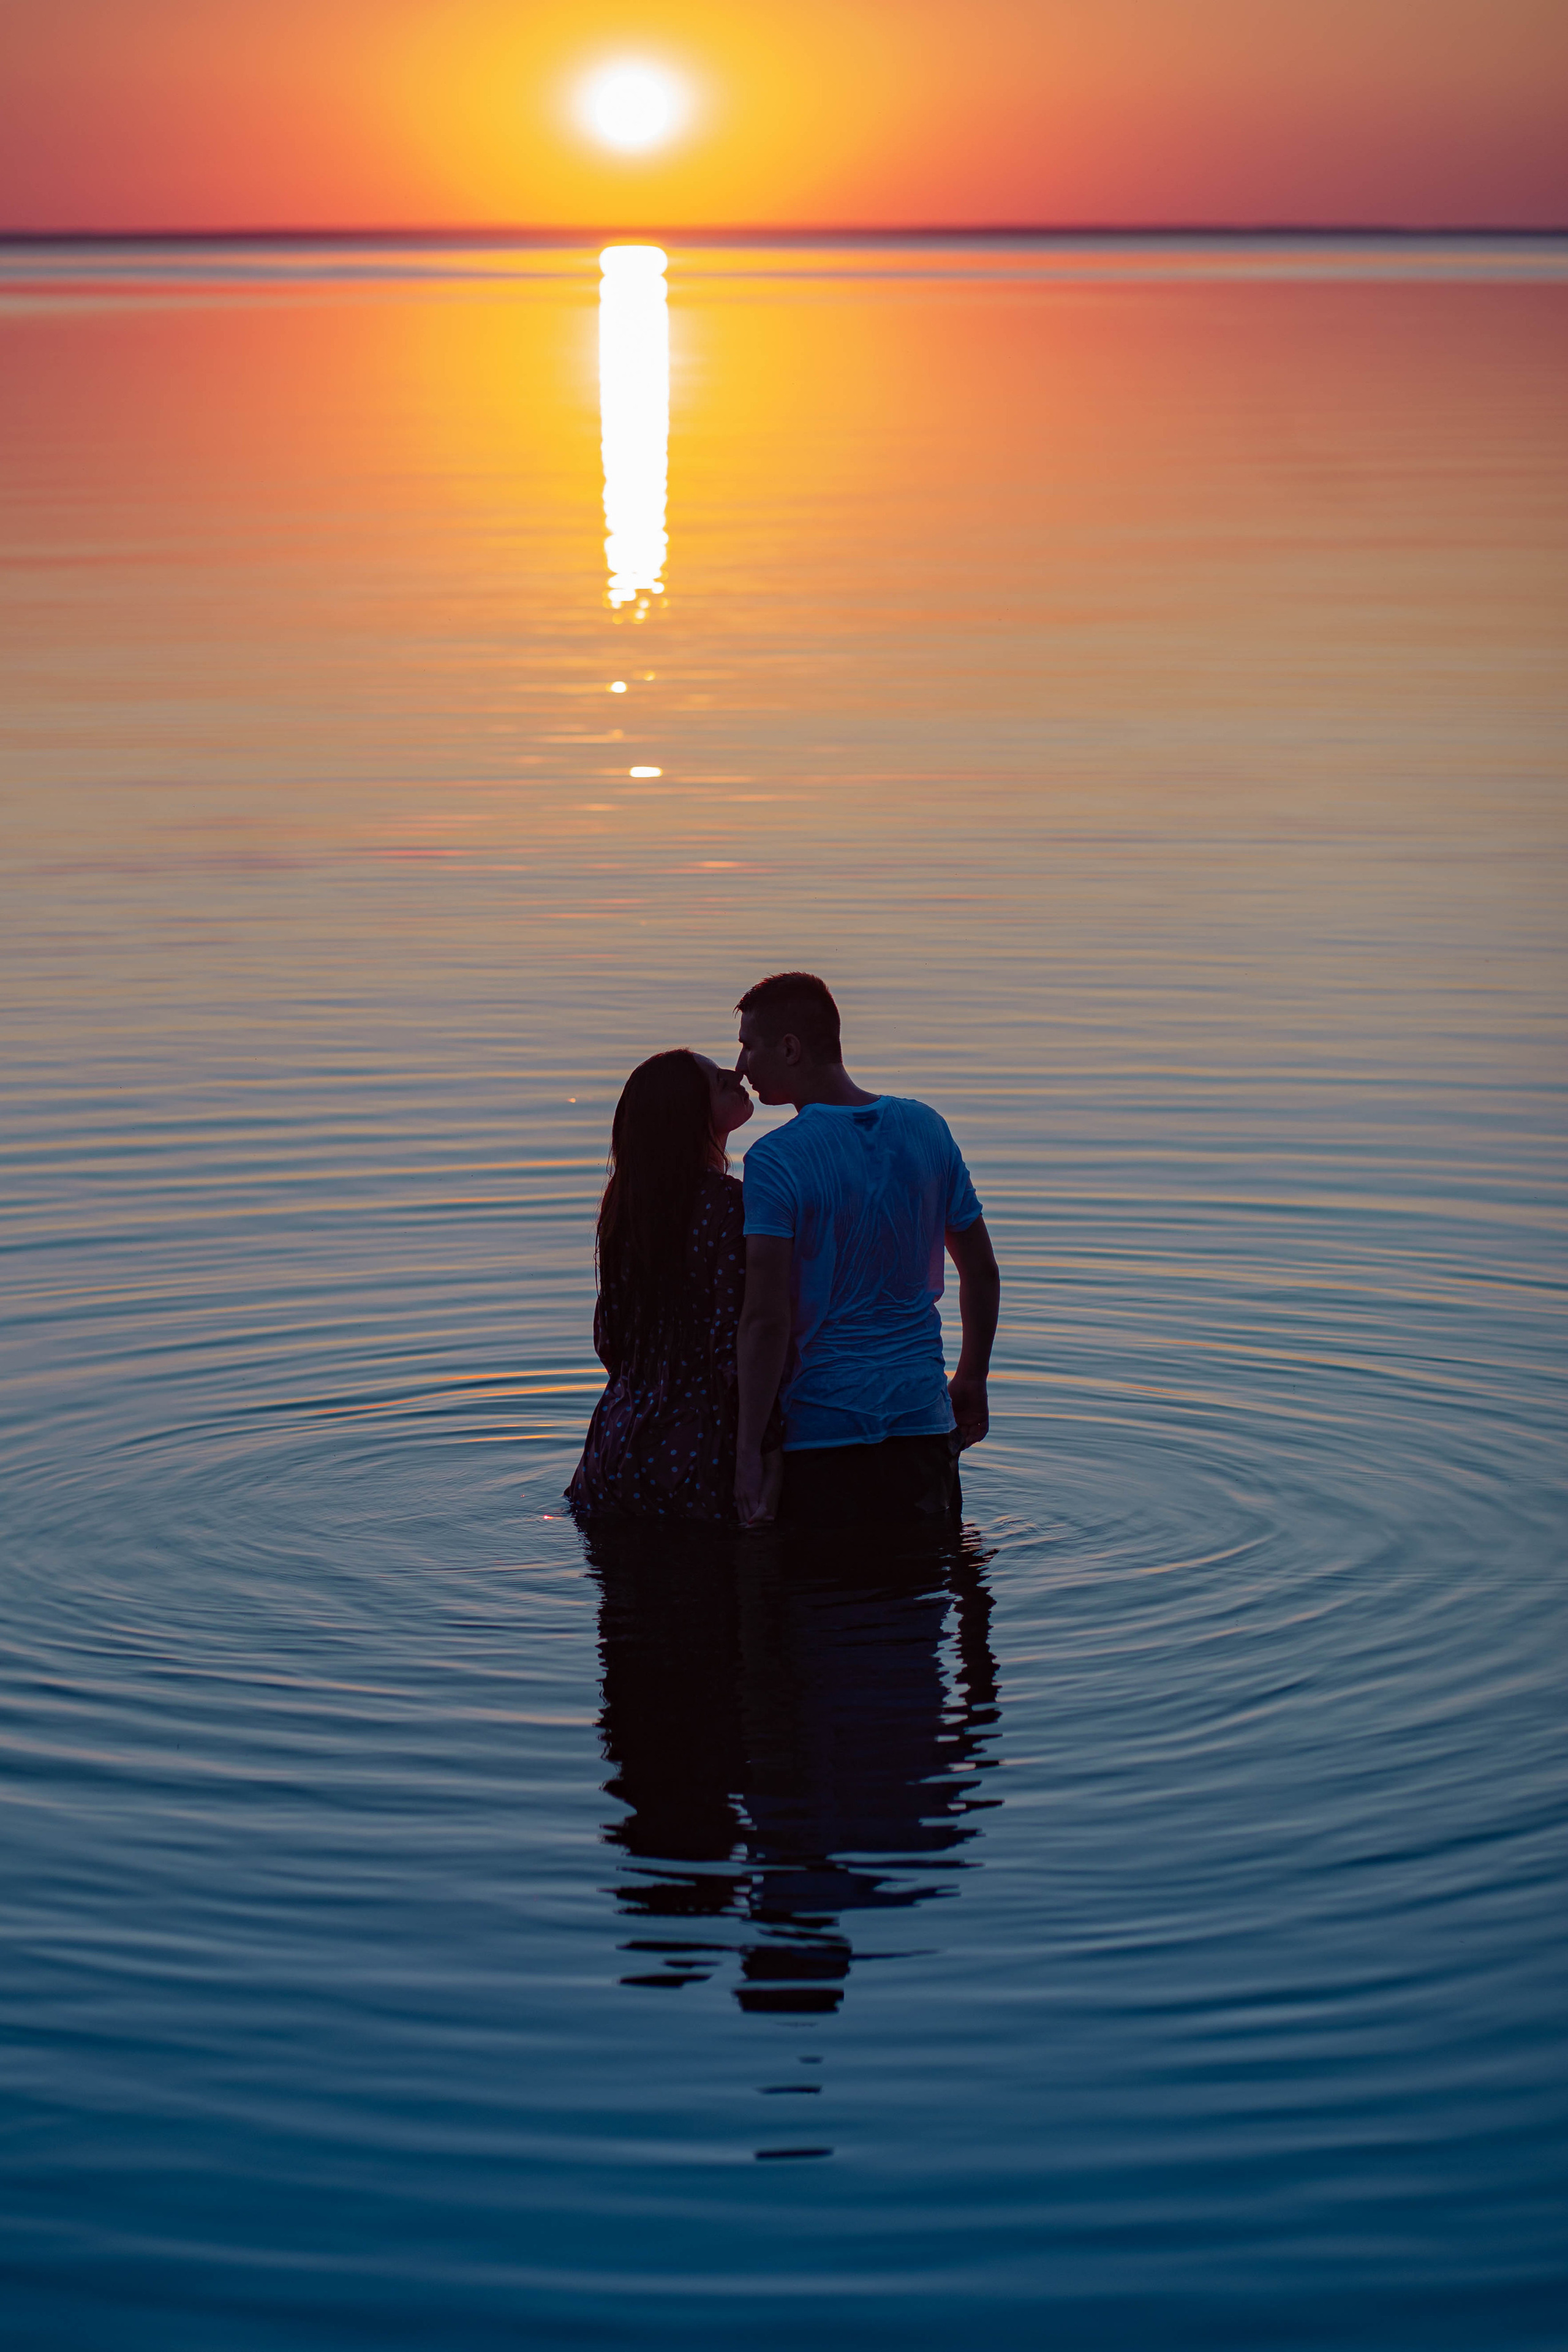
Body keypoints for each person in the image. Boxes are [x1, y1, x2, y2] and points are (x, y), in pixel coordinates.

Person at [733, 971, 1000, 1529]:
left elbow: (766, 1319)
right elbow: (979, 1268)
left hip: (822, 1433)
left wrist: (749, 1447)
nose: (740, 1067)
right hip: (923, 1420)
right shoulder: (926, 1128)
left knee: (827, 1584)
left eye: (749, 1047)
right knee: (925, 1580)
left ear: (790, 1049)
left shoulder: (776, 1159)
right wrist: (972, 1377)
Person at [567, 1049, 782, 1525]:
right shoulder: (730, 1206)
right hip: (693, 1453)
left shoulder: (624, 1206)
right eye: (717, 1080)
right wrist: (764, 1449)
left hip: (614, 1443)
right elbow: (735, 1346)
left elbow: (608, 1339)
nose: (735, 1074)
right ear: (689, 1114)